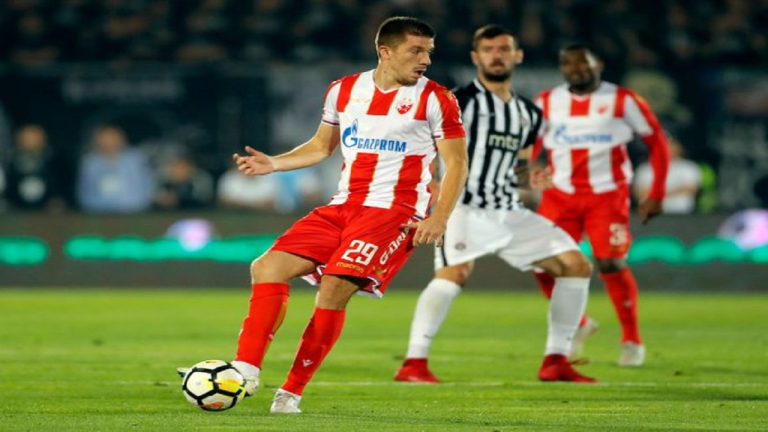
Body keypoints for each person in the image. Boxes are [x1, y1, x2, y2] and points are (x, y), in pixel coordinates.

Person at [181, 17, 468, 414]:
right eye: (416, 51)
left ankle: (290, 393)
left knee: (333, 287)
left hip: (393, 212)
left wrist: (439, 216)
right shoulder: (343, 90)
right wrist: (274, 163)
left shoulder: (437, 99)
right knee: (267, 267)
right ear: (385, 51)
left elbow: (457, 163)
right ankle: (246, 369)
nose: (425, 60)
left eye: (428, 53)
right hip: (343, 205)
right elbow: (320, 147)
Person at [393, 25, 596, 385]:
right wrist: (429, 183)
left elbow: (519, 167)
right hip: (463, 206)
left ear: (518, 56)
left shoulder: (528, 113)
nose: (496, 55)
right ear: (476, 58)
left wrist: (531, 178)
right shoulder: (457, 101)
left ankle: (556, 361)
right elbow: (421, 144)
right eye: (488, 50)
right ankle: (414, 363)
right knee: (454, 274)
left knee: (575, 265)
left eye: (503, 49)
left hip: (508, 209)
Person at [531, 43, 670, 367]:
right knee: (540, 263)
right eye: (568, 64)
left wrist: (656, 192)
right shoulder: (547, 101)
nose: (576, 69)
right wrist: (529, 168)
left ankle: (632, 340)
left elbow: (657, 143)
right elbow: (532, 144)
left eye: (583, 63)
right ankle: (580, 325)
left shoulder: (623, 100)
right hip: (559, 195)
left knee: (610, 264)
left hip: (607, 195)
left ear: (599, 65)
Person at [76, 125, 155, 213]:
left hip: (133, 208)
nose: (109, 142)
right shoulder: (90, 162)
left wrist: (145, 202)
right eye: (105, 138)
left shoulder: (135, 159)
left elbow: (147, 185)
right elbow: (84, 189)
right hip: (97, 209)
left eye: (112, 137)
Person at [634, 135, 700, 214]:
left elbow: (690, 190)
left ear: (679, 147)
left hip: (683, 214)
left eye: (671, 144)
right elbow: (640, 193)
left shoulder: (689, 167)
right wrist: (675, 191)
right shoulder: (644, 169)